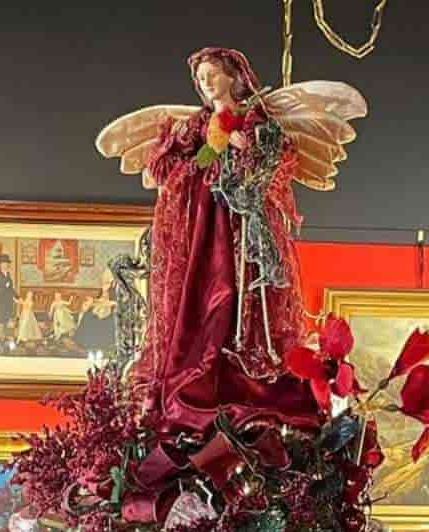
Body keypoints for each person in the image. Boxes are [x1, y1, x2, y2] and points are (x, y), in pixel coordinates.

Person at [97, 47, 366, 433]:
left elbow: (280, 160)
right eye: (201, 78)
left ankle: (247, 371)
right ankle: (200, 371)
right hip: (205, 227)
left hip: (244, 225)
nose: (206, 83)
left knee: (243, 295)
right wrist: (200, 160)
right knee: (206, 291)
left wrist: (247, 150)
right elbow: (165, 167)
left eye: (213, 75)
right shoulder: (196, 125)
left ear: (233, 77)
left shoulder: (256, 119)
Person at [0, 251, 18, 349]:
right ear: (0, 265)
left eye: (6, 263)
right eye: (3, 264)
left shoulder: (8, 275)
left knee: (8, 321)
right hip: (1, 304)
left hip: (8, 304)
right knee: (1, 322)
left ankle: (7, 342)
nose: (5, 265)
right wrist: (6, 288)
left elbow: (11, 289)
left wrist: (17, 297)